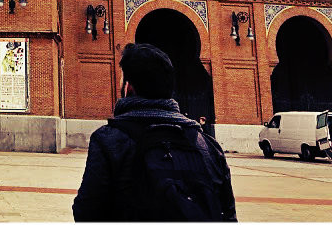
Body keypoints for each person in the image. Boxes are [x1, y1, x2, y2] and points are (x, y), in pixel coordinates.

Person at [73, 43, 237, 221]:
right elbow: (228, 215)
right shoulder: (209, 146)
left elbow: (86, 211)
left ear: (129, 87)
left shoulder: (108, 140)